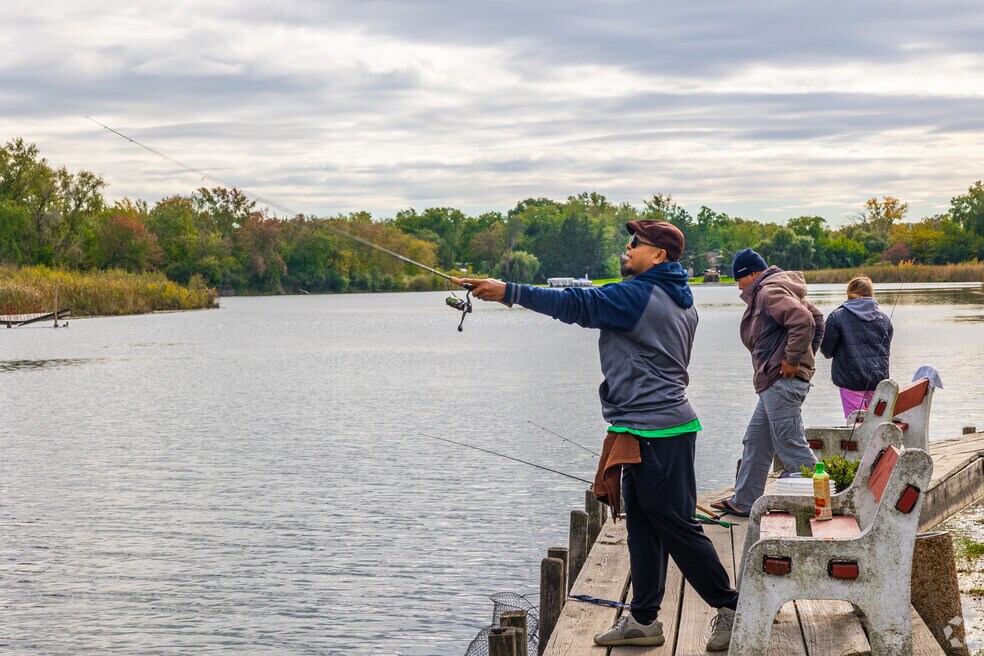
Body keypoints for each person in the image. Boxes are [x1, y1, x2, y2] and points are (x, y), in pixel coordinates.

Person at [456, 220, 738, 651]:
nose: (626, 248)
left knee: (676, 527)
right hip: (646, 428)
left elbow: (577, 304)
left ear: (658, 255)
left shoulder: (638, 295)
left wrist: (509, 292)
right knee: (643, 526)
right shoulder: (678, 296)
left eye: (635, 243)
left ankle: (732, 608)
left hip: (658, 430)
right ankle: (644, 620)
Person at [711, 248, 824, 518]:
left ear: (751, 273)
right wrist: (805, 362)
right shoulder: (781, 287)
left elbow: (805, 321)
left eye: (739, 279)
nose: (738, 286)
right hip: (776, 382)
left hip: (781, 382)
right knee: (756, 441)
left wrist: (794, 361)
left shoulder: (769, 291)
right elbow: (818, 319)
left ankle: (824, 503)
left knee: (790, 445)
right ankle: (745, 501)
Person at [820, 276, 894, 419]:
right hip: (878, 380)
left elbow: (827, 351)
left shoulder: (836, 317)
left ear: (849, 292)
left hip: (850, 379)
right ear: (871, 293)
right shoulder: (884, 319)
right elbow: (886, 346)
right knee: (876, 421)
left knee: (855, 423)